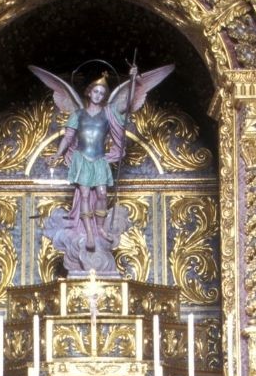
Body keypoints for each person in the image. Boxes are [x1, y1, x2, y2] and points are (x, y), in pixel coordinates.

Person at [30, 59, 173, 274]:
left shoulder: (108, 113)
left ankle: (99, 229)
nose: (98, 95)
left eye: (101, 93)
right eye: (95, 92)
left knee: (103, 195)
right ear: (89, 93)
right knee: (85, 196)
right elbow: (68, 137)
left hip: (99, 160)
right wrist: (57, 155)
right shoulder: (78, 114)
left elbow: (127, 103)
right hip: (82, 159)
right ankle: (88, 233)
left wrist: (133, 79)